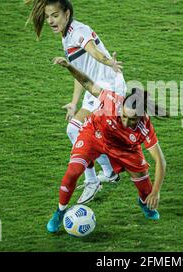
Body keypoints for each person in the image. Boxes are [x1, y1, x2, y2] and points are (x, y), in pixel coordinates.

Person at [26, 0, 127, 204]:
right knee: (82, 131)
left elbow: (93, 51)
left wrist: (108, 61)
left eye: (55, 15)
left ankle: (93, 180)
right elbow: (79, 73)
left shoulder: (78, 32)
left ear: (67, 14)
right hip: (95, 88)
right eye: (48, 16)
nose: (51, 21)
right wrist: (74, 103)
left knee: (77, 131)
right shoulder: (66, 36)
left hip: (109, 88)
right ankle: (110, 173)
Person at [46, 57, 167, 233]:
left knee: (146, 190)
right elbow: (87, 82)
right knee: (72, 172)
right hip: (94, 136)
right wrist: (68, 66)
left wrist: (155, 192)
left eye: (132, 119)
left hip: (125, 149)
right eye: (124, 116)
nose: (125, 121)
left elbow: (160, 161)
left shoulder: (144, 127)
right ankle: (59, 212)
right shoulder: (111, 100)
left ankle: (144, 204)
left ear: (141, 116)